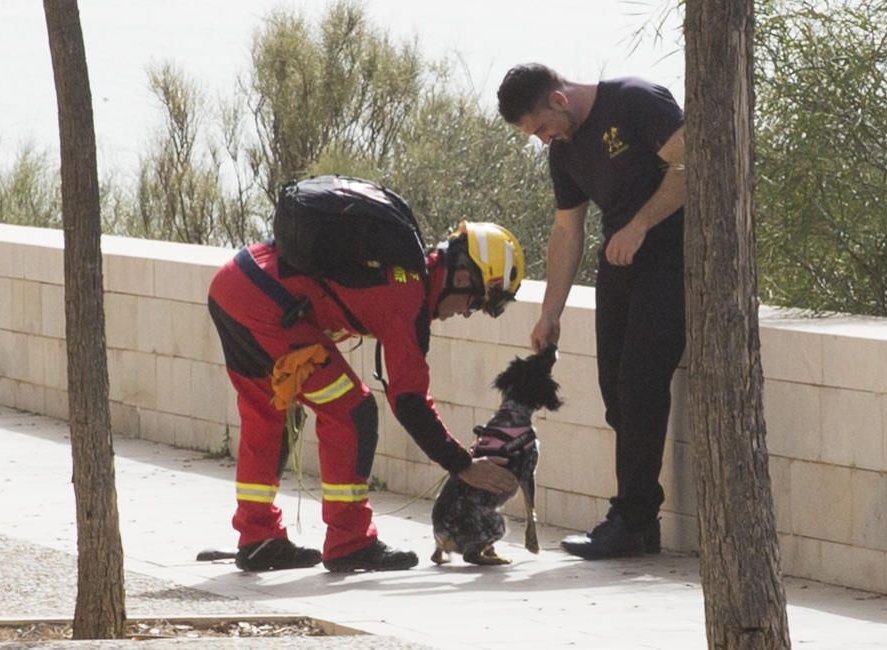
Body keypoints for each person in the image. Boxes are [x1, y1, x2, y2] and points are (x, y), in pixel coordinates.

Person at [208, 213, 525, 573]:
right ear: (463, 276)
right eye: (476, 302)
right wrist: (463, 465)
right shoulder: (407, 297)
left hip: (235, 282)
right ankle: (350, 541)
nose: (468, 314)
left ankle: (258, 538)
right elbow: (409, 401)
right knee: (352, 411)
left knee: (269, 415)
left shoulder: (402, 267)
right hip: (266, 303)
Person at [497, 63, 686, 560]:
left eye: (540, 128)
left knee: (642, 385)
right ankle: (639, 522)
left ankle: (632, 518)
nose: (541, 140)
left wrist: (641, 225)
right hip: (621, 263)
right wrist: (550, 313)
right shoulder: (564, 151)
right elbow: (566, 232)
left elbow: (694, 168)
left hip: (672, 257)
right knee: (616, 394)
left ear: (558, 100)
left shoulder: (635, 100)